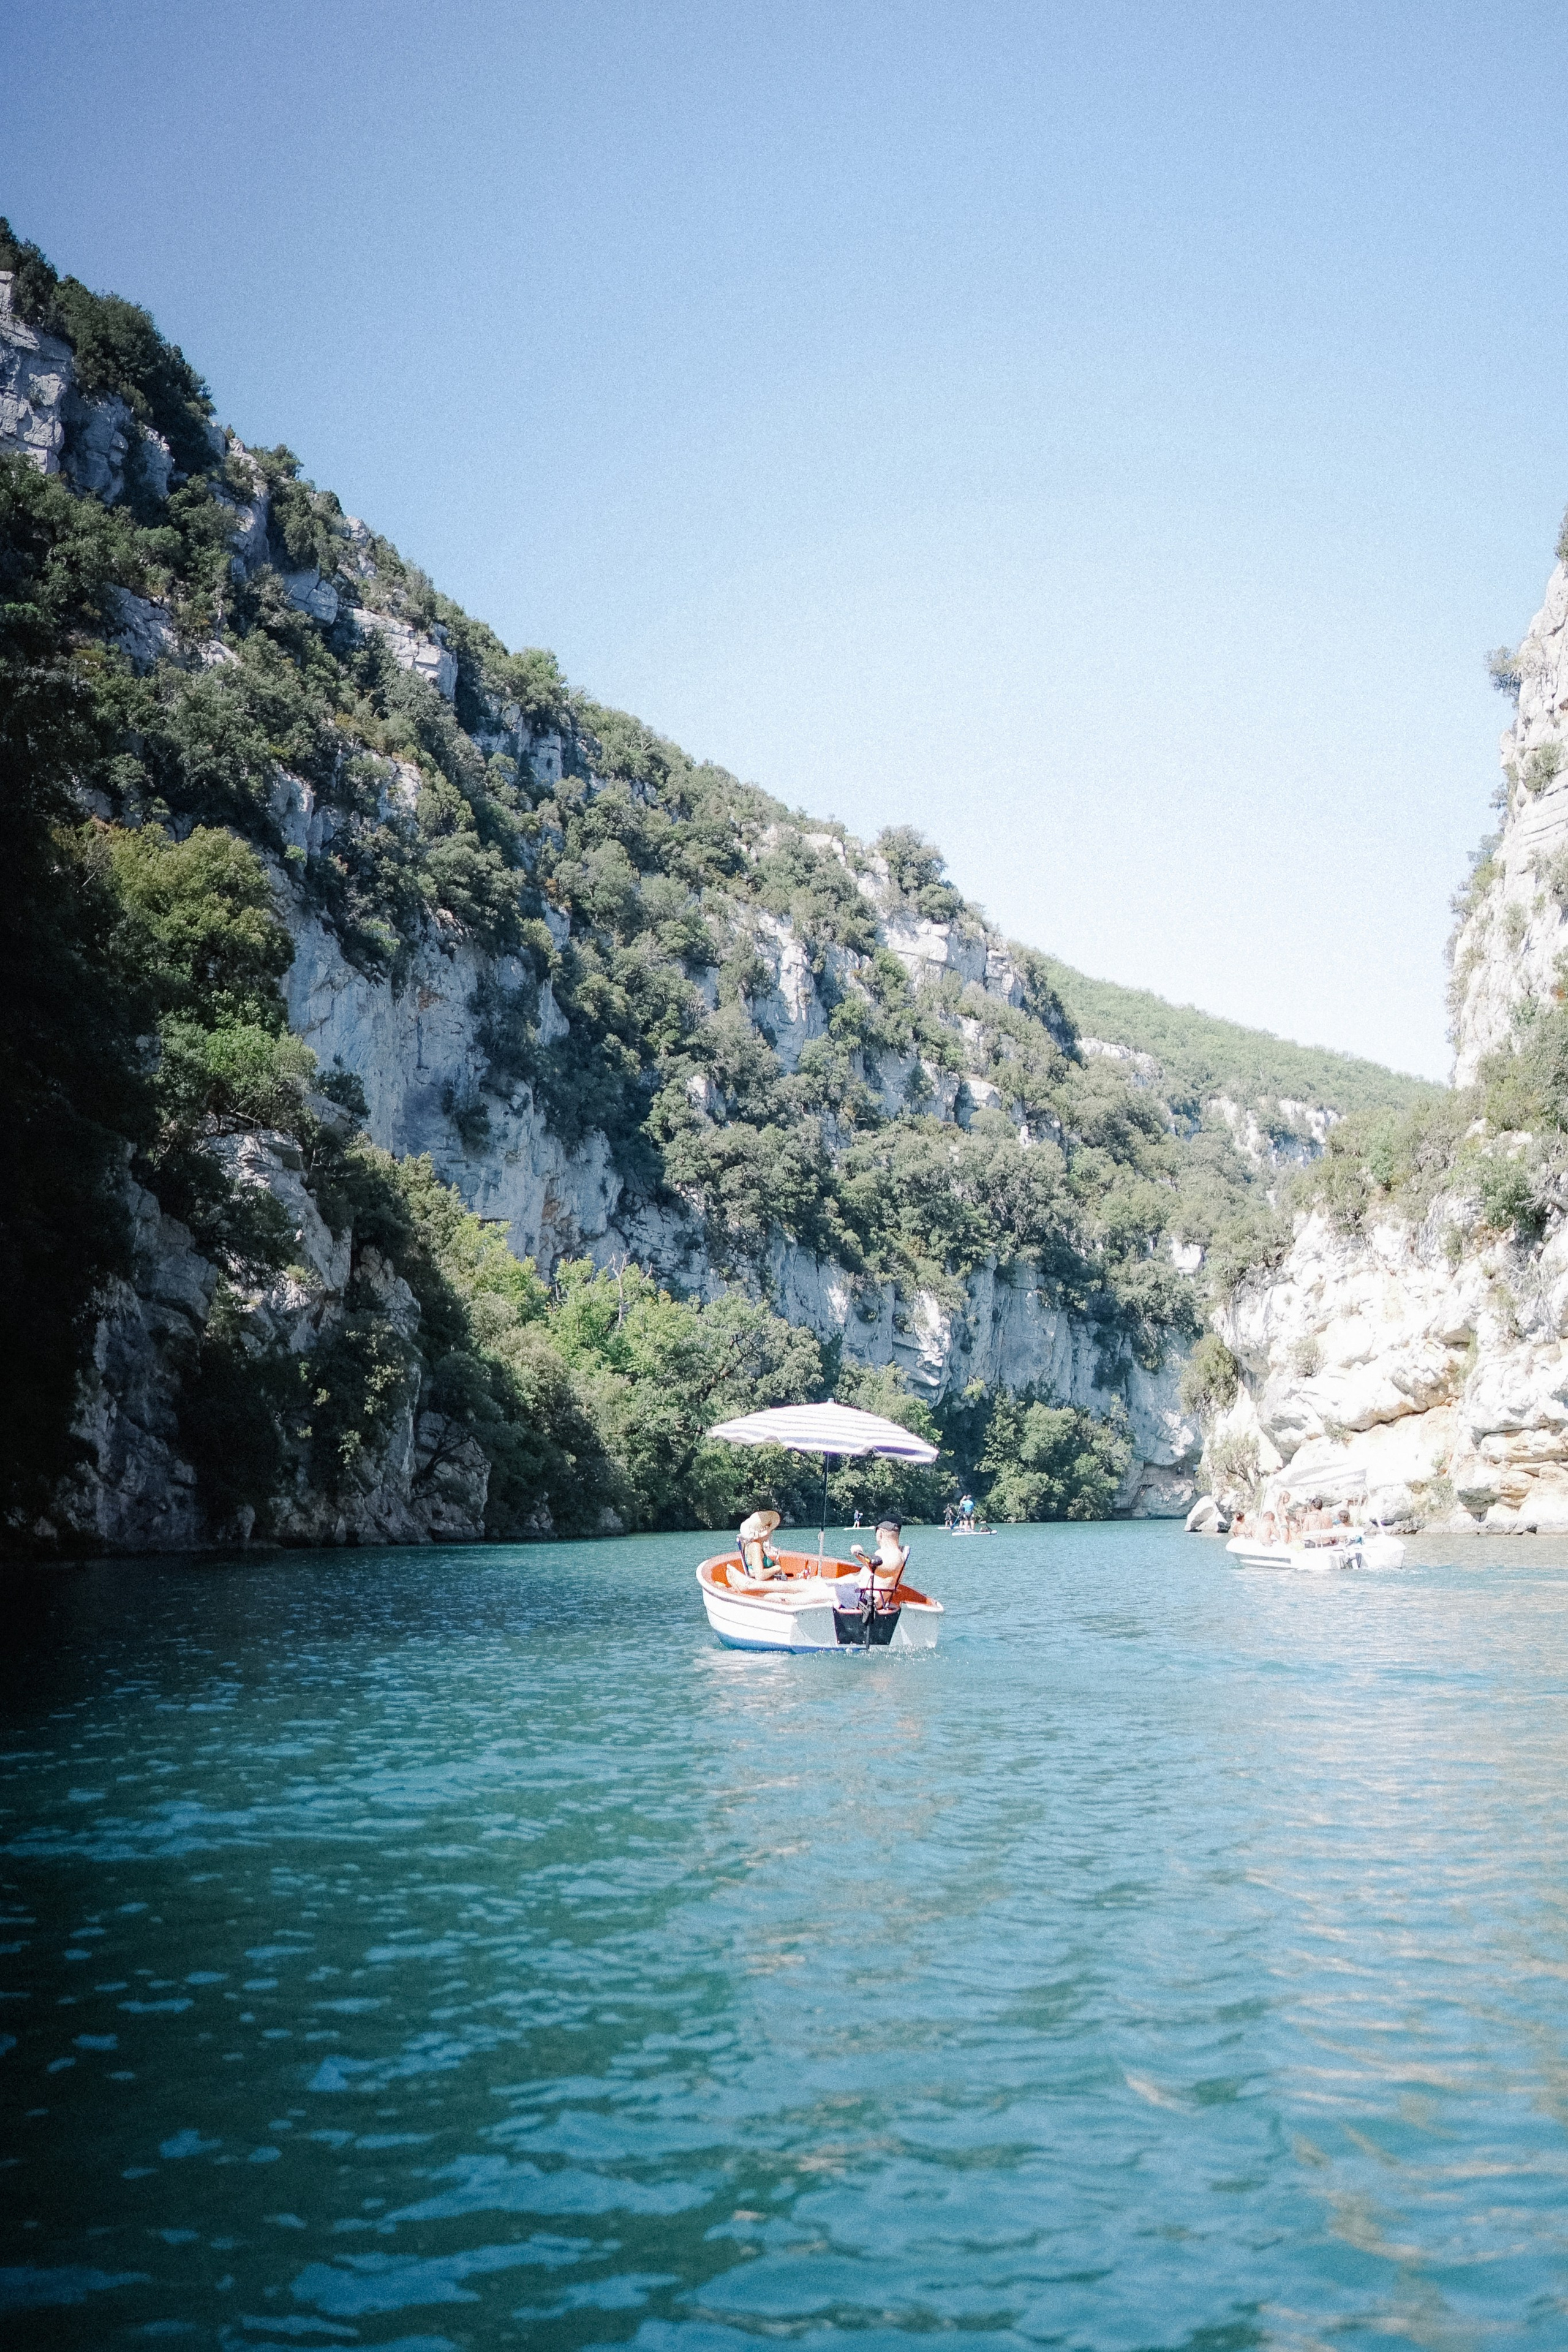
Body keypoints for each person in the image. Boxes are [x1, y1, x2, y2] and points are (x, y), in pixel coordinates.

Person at [849, 1516, 910, 1605]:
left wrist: (858, 1554)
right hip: (858, 1592)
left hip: (864, 1598)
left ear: (879, 1533)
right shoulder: (887, 1553)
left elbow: (879, 1569)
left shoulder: (894, 1556)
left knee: (828, 1590)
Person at [737, 1506, 783, 1580]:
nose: (771, 1533)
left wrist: (774, 1562)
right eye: (770, 1530)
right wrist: (777, 1568)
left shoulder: (758, 1545)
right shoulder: (755, 1547)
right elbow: (760, 1575)